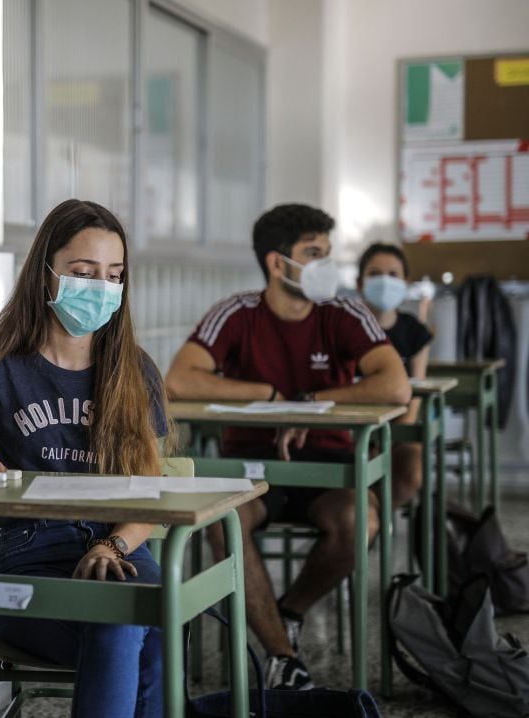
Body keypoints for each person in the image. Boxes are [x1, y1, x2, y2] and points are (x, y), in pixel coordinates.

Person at [0, 199, 172, 718]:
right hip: (30, 554)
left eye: (113, 275)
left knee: (138, 617)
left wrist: (111, 545)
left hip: (121, 550)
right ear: (46, 274)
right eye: (83, 272)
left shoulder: (134, 369)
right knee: (135, 630)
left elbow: (150, 490)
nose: (100, 287)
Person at [164, 203, 410, 690]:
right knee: (224, 518)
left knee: (359, 520)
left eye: (327, 252)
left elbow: (395, 385)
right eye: (313, 253)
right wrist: (270, 396)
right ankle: (281, 656)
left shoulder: (343, 313)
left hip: (332, 460)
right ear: (278, 263)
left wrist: (308, 403)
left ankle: (287, 611)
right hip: (254, 467)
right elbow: (178, 379)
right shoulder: (237, 314)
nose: (326, 265)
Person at [357, 242, 433, 508]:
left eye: (393, 274)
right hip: (352, 429)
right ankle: (364, 525)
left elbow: (415, 397)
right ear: (360, 282)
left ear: (405, 282)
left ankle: (376, 519)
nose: (384, 281)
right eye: (375, 273)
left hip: (399, 430)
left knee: (411, 473)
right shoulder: (346, 327)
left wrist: (386, 438)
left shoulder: (415, 332)